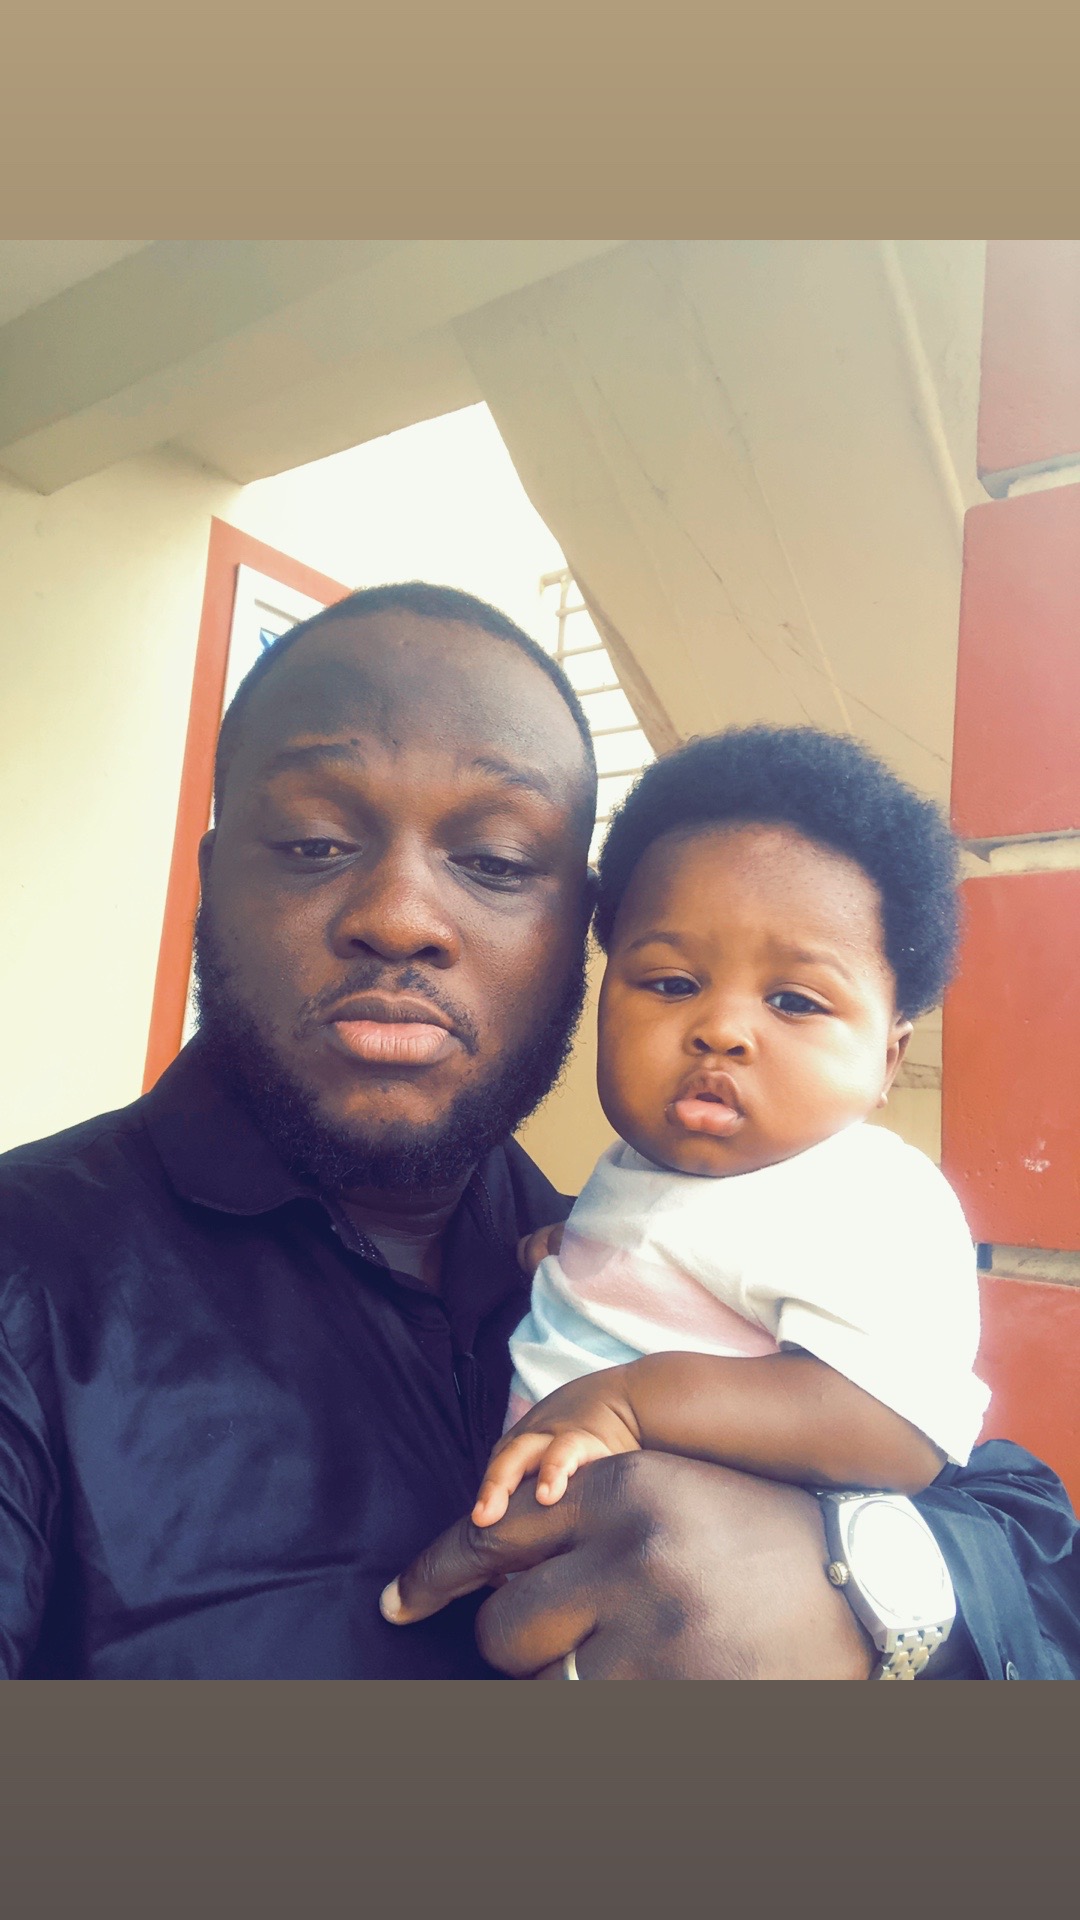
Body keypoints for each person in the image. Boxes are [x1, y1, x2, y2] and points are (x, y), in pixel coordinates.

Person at [0, 581, 1076, 1678]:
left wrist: (863, 1597)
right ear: (209, 878)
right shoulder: (29, 1278)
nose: (400, 918)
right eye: (316, 842)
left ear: (579, 933)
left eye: (497, 862)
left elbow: (1022, 1526)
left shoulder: (616, 1252)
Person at [471, 727, 989, 1530]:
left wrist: (632, 1402)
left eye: (794, 1001)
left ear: (888, 1060)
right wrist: (591, 1254)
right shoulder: (641, 1166)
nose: (721, 1030)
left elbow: (897, 1426)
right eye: (672, 983)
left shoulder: (870, 1198)